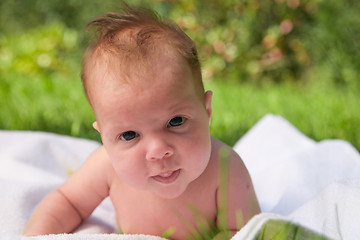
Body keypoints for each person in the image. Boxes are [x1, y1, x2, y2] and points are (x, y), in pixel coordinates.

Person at [24, 5, 260, 239]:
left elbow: (242, 231)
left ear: (206, 109)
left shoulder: (226, 168)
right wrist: (36, 235)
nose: (158, 151)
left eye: (176, 121)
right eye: (129, 135)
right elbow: (68, 203)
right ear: (104, 136)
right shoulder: (105, 167)